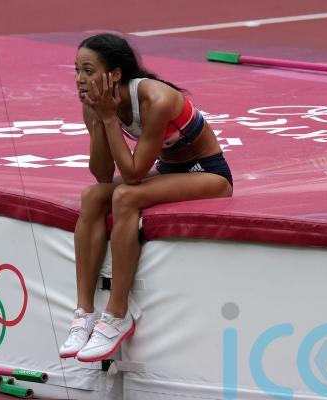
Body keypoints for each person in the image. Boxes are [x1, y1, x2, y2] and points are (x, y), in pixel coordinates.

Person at [58, 33, 233, 362]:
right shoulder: (96, 104)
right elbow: (102, 174)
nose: (80, 79)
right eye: (77, 70)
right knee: (92, 196)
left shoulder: (156, 99)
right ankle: (84, 313)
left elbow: (134, 174)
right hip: (170, 173)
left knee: (125, 197)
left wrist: (109, 118)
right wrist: (98, 119)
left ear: (115, 74)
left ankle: (117, 314)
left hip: (208, 174)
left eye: (89, 71)